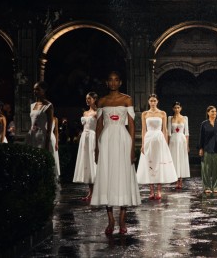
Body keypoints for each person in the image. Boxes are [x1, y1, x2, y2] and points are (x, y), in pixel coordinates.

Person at [91, 71, 140, 236]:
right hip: (106, 141)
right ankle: (111, 219)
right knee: (107, 176)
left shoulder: (127, 100)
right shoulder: (102, 101)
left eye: (116, 80)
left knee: (123, 176)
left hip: (122, 140)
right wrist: (96, 149)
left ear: (120, 82)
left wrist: (132, 148)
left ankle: (122, 218)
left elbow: (132, 126)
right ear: (107, 82)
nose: (113, 82)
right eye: (110, 80)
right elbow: (98, 126)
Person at [136, 94, 177, 200]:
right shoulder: (145, 114)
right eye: (151, 101)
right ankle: (151, 191)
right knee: (149, 163)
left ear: (157, 101)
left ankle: (159, 191)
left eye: (154, 100)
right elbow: (143, 129)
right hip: (149, 138)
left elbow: (165, 129)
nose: (153, 102)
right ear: (148, 102)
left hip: (159, 139)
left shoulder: (162, 113)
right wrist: (142, 144)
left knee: (158, 163)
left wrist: (166, 144)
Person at [73, 92, 98, 201]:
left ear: (94, 99)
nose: (87, 100)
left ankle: (97, 192)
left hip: (93, 137)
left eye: (89, 98)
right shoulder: (85, 113)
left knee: (93, 162)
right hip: (85, 138)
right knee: (87, 162)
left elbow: (100, 128)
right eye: (86, 98)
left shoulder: (98, 112)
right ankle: (90, 192)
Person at [198, 105, 217, 194]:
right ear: (208, 113)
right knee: (206, 169)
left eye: (215, 111)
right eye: (212, 111)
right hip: (207, 148)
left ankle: (216, 187)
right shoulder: (204, 124)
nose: (214, 113)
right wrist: (201, 148)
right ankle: (207, 187)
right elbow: (201, 137)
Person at [26, 81, 54, 154]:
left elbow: (49, 128)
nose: (35, 91)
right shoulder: (32, 105)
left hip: (42, 136)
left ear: (43, 91)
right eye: (34, 89)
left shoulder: (48, 106)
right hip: (32, 135)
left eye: (37, 89)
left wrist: (47, 143)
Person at [168, 102, 190, 189]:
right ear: (173, 109)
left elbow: (187, 133)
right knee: (174, 158)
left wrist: (187, 145)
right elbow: (169, 132)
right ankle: (175, 179)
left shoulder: (185, 118)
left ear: (181, 108)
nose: (177, 109)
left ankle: (180, 179)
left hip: (182, 140)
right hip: (173, 139)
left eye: (178, 107)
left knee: (181, 158)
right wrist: (167, 144)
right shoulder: (170, 118)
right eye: (175, 108)